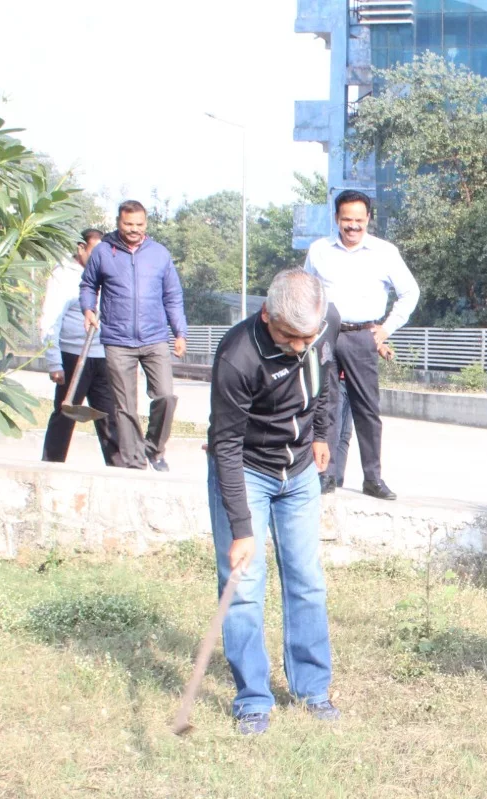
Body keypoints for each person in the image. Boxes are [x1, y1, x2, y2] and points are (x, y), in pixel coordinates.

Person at [206, 269, 340, 736]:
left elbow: (326, 379)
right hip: (248, 471)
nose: (300, 346)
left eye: (307, 336)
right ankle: (253, 699)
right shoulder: (237, 357)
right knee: (243, 587)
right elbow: (224, 445)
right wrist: (242, 528)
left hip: (300, 471)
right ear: (267, 316)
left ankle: (312, 690)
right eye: (289, 336)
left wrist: (321, 433)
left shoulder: (323, 326)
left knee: (307, 580)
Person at [304, 189, 420, 500]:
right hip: (327, 335)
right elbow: (305, 291)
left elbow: (410, 292)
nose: (352, 227)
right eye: (346, 220)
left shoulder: (384, 252)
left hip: (363, 337)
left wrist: (386, 330)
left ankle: (373, 477)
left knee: (367, 410)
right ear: (336, 219)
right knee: (324, 407)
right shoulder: (319, 250)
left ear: (368, 218)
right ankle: (324, 474)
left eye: (358, 220)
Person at [79, 200, 187, 472]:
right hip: (117, 340)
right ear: (118, 222)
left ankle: (153, 448)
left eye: (139, 224)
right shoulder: (103, 252)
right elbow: (88, 285)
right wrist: (88, 309)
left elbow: (173, 297)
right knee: (125, 406)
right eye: (128, 224)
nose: (133, 229)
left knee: (165, 396)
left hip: (155, 338)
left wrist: (180, 332)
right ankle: (134, 461)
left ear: (146, 224)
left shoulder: (159, 254)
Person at [41, 228, 116, 465]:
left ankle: (119, 468)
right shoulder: (63, 275)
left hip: (103, 356)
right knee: (65, 415)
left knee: (110, 417)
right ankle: (51, 466)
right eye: (94, 252)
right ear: (81, 248)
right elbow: (50, 318)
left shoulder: (108, 273)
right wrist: (54, 362)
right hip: (73, 356)